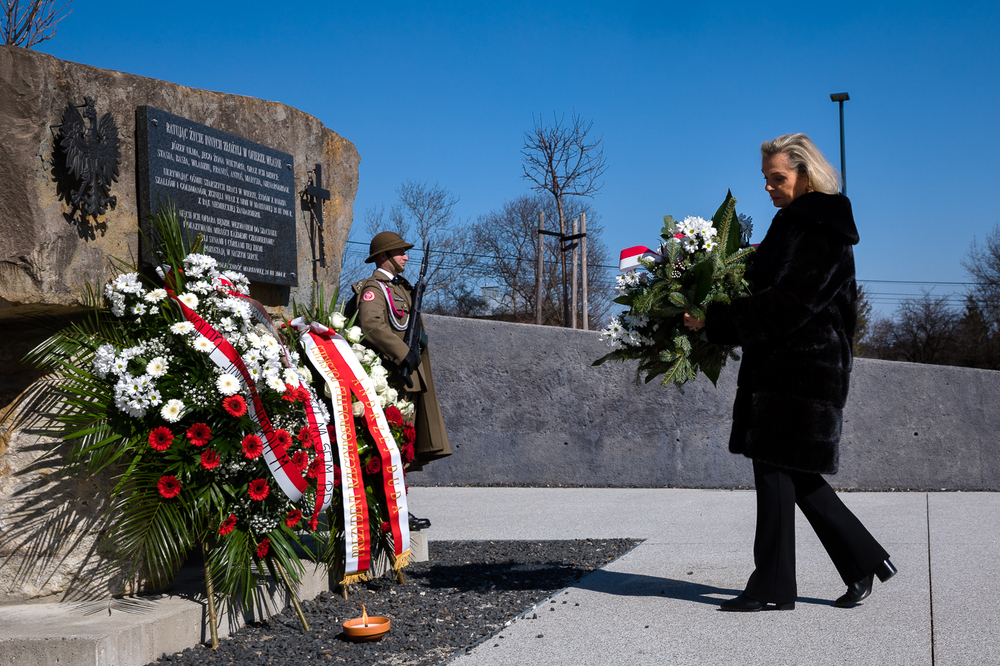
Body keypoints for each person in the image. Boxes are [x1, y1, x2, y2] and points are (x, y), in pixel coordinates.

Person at [683, 133, 896, 611]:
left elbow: (787, 304)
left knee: (777, 473)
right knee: (793, 474)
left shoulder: (817, 227)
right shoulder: (794, 222)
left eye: (776, 177)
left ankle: (773, 586)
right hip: (788, 367)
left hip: (803, 371)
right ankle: (862, 559)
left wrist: (715, 321)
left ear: (806, 175)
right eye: (765, 178)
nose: (768, 187)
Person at [348, 231, 453, 499]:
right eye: (400, 252)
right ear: (383, 257)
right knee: (392, 444)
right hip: (394, 377)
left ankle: (398, 506)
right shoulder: (374, 289)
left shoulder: (398, 287)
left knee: (404, 444)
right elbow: (371, 324)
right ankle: (389, 508)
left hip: (408, 375)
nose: (406, 256)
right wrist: (403, 354)